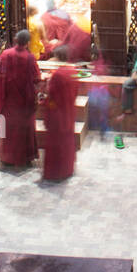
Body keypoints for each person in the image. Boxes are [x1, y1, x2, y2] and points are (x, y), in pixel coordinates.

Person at [0, 29, 42, 168]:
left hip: (8, 101)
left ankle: (7, 158)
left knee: (7, 129)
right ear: (27, 43)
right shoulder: (30, 58)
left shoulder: (5, 54)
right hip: (25, 102)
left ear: (15, 40)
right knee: (24, 129)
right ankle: (25, 158)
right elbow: (36, 78)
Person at [41, 46, 79, 182]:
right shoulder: (73, 70)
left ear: (59, 57)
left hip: (57, 115)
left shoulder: (58, 75)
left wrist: (44, 100)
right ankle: (67, 169)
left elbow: (52, 96)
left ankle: (55, 172)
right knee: (67, 140)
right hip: (69, 111)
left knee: (56, 143)